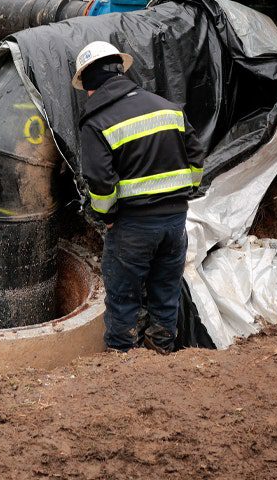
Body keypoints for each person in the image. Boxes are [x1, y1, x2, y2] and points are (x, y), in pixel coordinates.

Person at [74, 40, 206, 352]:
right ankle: (161, 355)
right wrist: (184, 193)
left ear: (90, 84)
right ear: (120, 72)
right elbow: (196, 158)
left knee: (123, 299)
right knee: (165, 292)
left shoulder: (97, 123)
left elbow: (100, 182)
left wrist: (107, 218)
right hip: (175, 224)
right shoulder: (168, 109)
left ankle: (122, 363)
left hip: (132, 228)